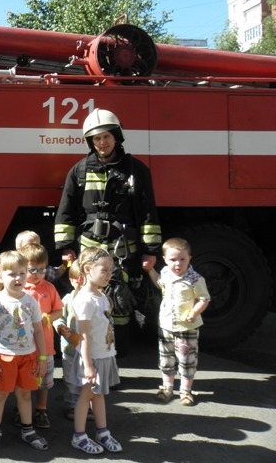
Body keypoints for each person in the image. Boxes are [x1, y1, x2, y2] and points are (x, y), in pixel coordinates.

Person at [54, 108, 161, 357]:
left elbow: (148, 212)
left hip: (123, 250)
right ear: (90, 142)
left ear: (116, 137)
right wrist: (66, 247)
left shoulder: (136, 170)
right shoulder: (79, 171)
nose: (102, 143)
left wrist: (150, 251)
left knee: (120, 303)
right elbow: (65, 212)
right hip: (89, 249)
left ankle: (118, 357)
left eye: (106, 137)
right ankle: (87, 356)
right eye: (96, 139)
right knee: (87, 299)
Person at [0, 250, 48, 452]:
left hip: (28, 357)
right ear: (0, 276)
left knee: (25, 395)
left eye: (22, 272)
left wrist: (42, 358)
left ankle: (28, 431)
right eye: (12, 274)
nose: (18, 278)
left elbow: (39, 330)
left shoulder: (30, 301)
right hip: (3, 357)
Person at [143, 237, 210, 406]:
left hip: (187, 327)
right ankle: (167, 387)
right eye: (173, 260)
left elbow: (204, 298)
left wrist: (195, 311)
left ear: (190, 258)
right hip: (166, 325)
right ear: (165, 259)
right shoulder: (165, 273)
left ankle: (185, 391)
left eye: (182, 259)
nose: (178, 264)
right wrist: (151, 271)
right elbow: (160, 284)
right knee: (166, 359)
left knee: (187, 360)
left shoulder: (195, 279)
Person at [69, 247, 123, 455]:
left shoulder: (100, 296)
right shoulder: (85, 300)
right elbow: (83, 336)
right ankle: (79, 436)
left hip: (104, 355)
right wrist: (89, 365)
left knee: (98, 396)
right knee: (86, 396)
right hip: (91, 358)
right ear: (88, 269)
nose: (109, 274)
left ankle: (102, 432)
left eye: (111, 270)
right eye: (105, 270)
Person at [19, 243, 63, 429]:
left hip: (45, 345)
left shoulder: (49, 288)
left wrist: (48, 318)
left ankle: (41, 408)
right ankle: (23, 409)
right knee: (26, 380)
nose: (36, 273)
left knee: (44, 381)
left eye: (41, 269)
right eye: (31, 269)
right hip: (23, 345)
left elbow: (59, 311)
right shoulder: (19, 289)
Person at [53, 260, 85, 421]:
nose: (81, 283)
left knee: (88, 379)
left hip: (90, 350)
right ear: (71, 280)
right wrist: (60, 327)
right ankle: (72, 405)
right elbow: (58, 317)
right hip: (70, 349)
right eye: (77, 279)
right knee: (71, 379)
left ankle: (88, 405)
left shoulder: (97, 299)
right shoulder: (67, 299)